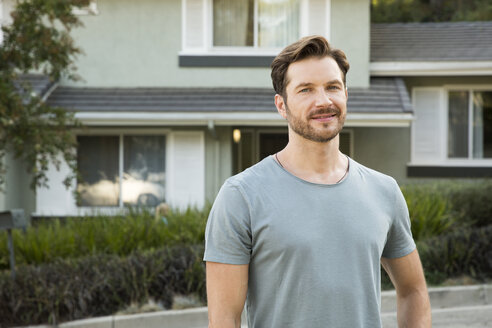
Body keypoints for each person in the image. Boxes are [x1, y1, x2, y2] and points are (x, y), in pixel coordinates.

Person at [204, 35, 431, 328]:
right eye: (306, 90)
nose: (323, 101)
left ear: (346, 94)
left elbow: (413, 290)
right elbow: (224, 319)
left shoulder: (384, 191)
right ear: (281, 105)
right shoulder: (241, 196)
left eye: (332, 87)